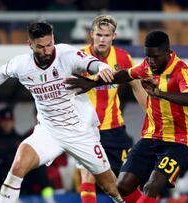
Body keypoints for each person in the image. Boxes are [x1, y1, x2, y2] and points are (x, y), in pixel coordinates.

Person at [0, 21, 126, 203]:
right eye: (40, 47)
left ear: (53, 40)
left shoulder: (66, 54)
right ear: (30, 44)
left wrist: (103, 67)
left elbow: (91, 63)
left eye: (49, 44)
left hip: (80, 133)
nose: (47, 51)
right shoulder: (22, 65)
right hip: (49, 132)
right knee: (18, 165)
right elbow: (2, 72)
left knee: (110, 187)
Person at [66, 30, 188, 203]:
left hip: (178, 140)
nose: (151, 62)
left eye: (155, 57)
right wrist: (93, 82)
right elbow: (124, 75)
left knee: (151, 185)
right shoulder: (147, 66)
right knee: (122, 186)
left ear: (168, 52)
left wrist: (159, 93)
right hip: (151, 136)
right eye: (148, 56)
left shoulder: (181, 71)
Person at [78, 15, 147, 203]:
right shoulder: (78, 58)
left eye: (106, 35)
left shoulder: (123, 58)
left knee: (123, 184)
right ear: (91, 34)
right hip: (86, 130)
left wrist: (155, 119)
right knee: (87, 175)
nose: (102, 39)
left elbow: (138, 89)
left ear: (113, 36)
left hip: (115, 130)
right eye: (98, 34)